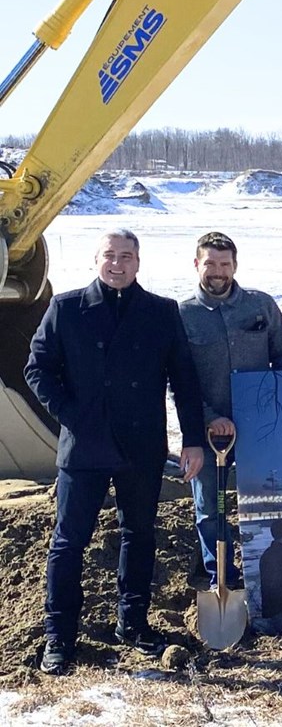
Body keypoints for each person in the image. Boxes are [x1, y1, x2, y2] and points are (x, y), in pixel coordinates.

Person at [25, 229, 205, 674]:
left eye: (127, 257)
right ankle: (59, 636)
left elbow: (184, 380)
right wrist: (71, 414)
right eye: (110, 256)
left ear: (139, 263)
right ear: (96, 259)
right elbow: (38, 369)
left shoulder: (161, 312)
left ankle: (134, 623)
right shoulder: (66, 308)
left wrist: (194, 440)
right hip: (84, 446)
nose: (118, 264)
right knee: (69, 542)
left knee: (139, 534)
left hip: (141, 445)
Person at [179, 231, 282, 593]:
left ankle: (268, 578)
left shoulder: (260, 306)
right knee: (211, 508)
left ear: (235, 265)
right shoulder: (183, 315)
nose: (217, 271)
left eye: (224, 264)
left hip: (259, 428)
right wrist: (209, 417)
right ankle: (221, 579)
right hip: (209, 431)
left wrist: (276, 409)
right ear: (196, 264)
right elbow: (179, 379)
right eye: (210, 263)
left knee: (265, 504)